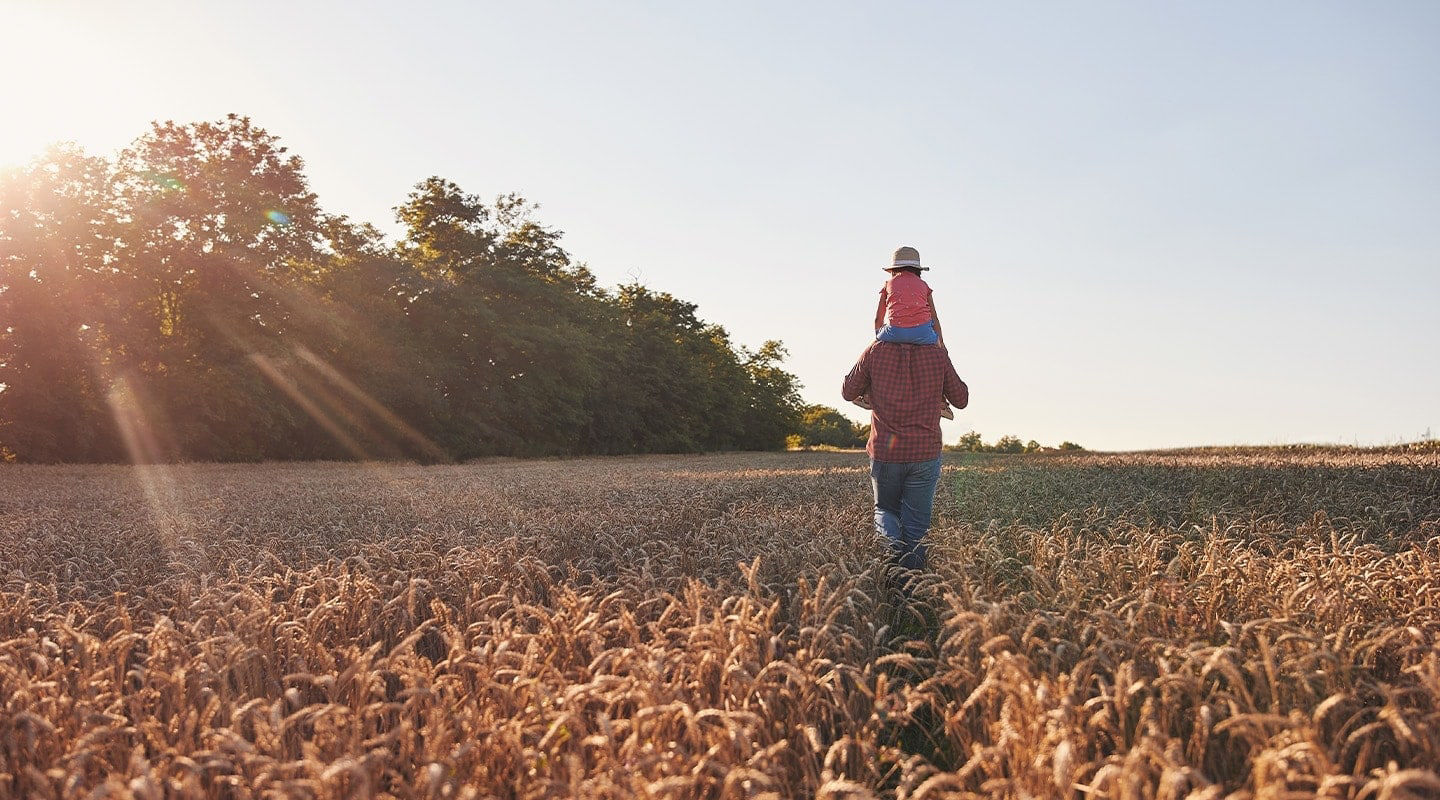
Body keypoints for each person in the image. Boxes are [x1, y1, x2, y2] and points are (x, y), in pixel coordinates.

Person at [841, 326, 968, 574]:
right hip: (924, 453)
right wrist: (944, 354)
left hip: (885, 453)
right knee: (917, 526)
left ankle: (891, 556)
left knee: (885, 510)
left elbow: (848, 391)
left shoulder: (875, 351)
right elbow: (960, 399)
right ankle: (911, 591)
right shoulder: (936, 353)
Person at [854, 246, 954, 419]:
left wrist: (879, 337)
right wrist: (940, 344)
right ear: (918, 271)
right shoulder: (924, 286)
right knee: (940, 361)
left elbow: (878, 318)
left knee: (870, 354)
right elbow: (935, 318)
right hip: (923, 333)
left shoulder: (888, 285)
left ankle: (865, 394)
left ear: (893, 270)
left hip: (894, 331)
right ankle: (941, 402)